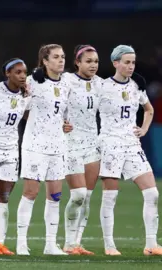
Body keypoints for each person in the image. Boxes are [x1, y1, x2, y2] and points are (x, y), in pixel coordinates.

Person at [98, 45, 161, 256]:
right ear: (115, 63)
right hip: (110, 145)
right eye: (126, 62)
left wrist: (143, 129)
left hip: (132, 145)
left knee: (152, 193)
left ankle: (151, 245)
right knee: (110, 196)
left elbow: (149, 109)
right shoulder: (103, 86)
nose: (130, 66)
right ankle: (109, 245)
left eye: (133, 62)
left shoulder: (136, 86)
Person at [16, 44, 69, 256]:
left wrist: (66, 125)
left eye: (63, 57)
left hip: (58, 145)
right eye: (56, 57)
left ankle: (50, 245)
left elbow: (64, 114)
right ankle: (21, 243)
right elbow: (21, 109)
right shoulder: (32, 82)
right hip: (35, 145)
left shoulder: (67, 84)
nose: (61, 60)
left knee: (55, 196)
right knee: (30, 192)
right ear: (45, 61)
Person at [0, 58, 29, 255]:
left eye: (24, 72)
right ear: (7, 73)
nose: (22, 76)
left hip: (11, 150)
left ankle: (0, 242)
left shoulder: (26, 96)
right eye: (18, 72)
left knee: (5, 197)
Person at [62, 45, 101, 255]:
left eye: (95, 61)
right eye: (88, 61)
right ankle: (68, 243)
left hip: (91, 144)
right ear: (77, 62)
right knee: (77, 195)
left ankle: (76, 243)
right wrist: (59, 123)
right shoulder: (66, 80)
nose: (93, 65)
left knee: (87, 197)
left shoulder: (100, 84)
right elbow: (52, 102)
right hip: (70, 143)